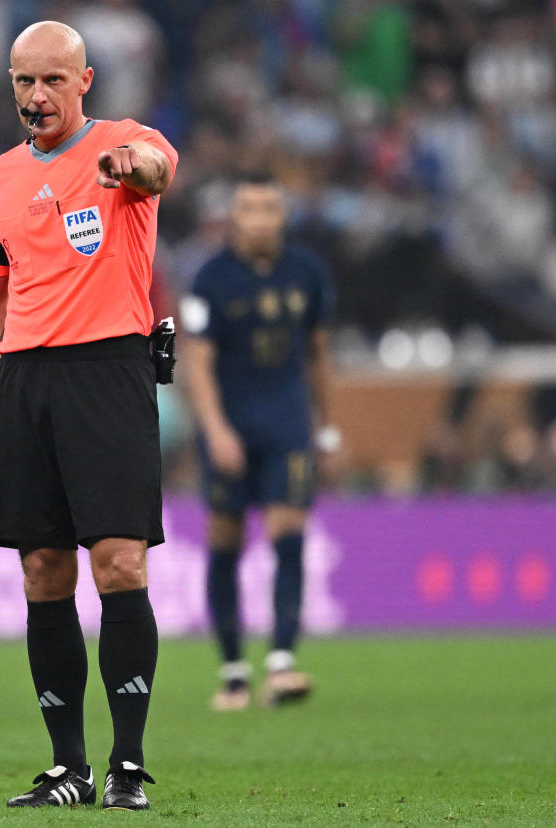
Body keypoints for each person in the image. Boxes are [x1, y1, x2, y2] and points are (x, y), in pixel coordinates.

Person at [0, 21, 177, 811]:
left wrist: (129, 167)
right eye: (24, 82)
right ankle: (68, 766)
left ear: (86, 81)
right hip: (26, 379)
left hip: (108, 371)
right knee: (42, 572)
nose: (37, 96)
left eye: (53, 82)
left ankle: (127, 764)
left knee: (120, 565)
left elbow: (160, 170)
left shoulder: (125, 146)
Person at [178, 171, 337, 711]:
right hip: (231, 425)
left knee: (288, 528)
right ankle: (232, 671)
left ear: (283, 216)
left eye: (270, 208)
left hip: (289, 422)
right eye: (250, 209)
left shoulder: (307, 274)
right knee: (226, 540)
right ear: (233, 219)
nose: (261, 218)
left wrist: (328, 427)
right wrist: (216, 429)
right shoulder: (211, 281)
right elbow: (197, 364)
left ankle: (282, 664)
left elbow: (318, 355)